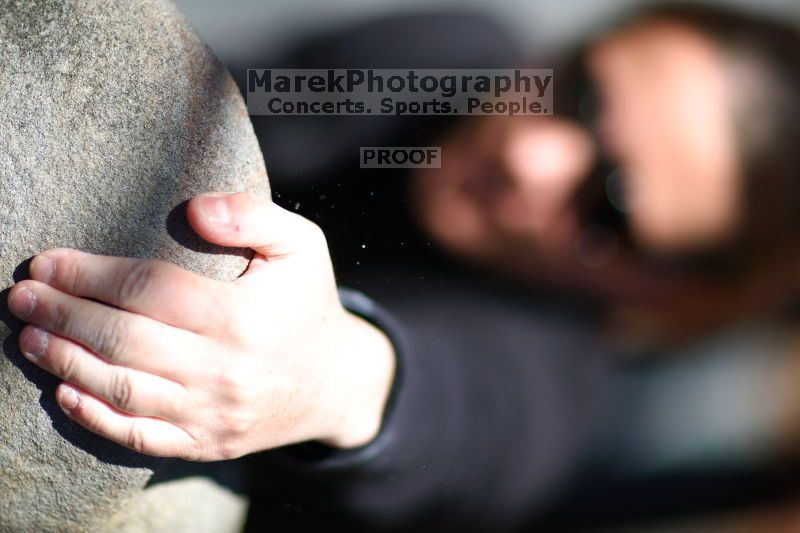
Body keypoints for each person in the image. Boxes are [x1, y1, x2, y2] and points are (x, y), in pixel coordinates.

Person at [7, 3, 800, 531]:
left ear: (672, 292)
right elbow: (217, 90)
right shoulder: (453, 56)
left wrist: (325, 377)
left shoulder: (559, 388)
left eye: (607, 208)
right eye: (579, 92)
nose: (532, 154)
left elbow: (464, 407)